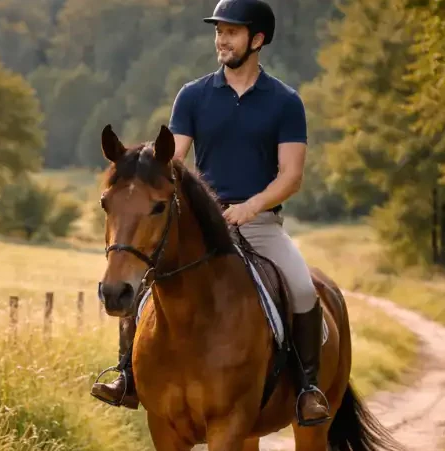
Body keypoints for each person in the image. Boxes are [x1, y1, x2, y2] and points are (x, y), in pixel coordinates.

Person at [90, 0, 331, 427]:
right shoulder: (193, 95)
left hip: (260, 223)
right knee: (142, 284)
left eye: (232, 32)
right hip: (204, 223)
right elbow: (173, 161)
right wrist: (139, 169)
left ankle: (308, 389)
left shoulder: (285, 102)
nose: (222, 39)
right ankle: (127, 376)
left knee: (301, 288)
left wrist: (250, 207)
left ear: (257, 40)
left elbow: (291, 176)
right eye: (219, 31)